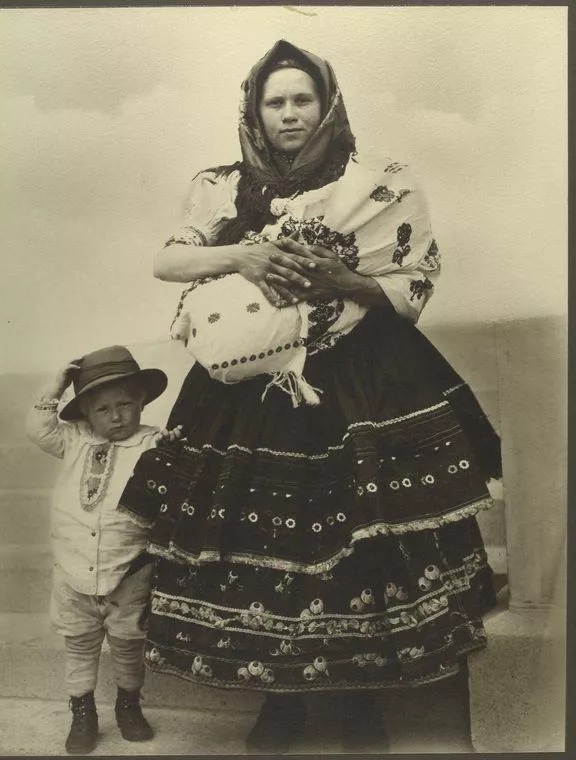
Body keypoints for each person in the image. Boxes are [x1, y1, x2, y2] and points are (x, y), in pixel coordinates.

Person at [119, 40, 502, 753]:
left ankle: (361, 702)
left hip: (362, 380)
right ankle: (280, 700)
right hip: (251, 387)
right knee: (256, 544)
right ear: (255, 114)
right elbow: (167, 259)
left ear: (327, 107)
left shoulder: (382, 183)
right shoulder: (222, 183)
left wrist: (340, 279)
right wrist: (243, 254)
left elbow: (410, 286)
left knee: (361, 542)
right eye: (276, 102)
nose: (290, 113)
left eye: (303, 99)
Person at [25, 345, 183, 755]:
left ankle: (128, 705)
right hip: (73, 570)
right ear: (86, 414)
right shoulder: (73, 439)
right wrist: (55, 386)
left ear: (142, 401)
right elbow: (38, 429)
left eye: (126, 404)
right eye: (103, 409)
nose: (116, 416)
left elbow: (174, 478)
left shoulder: (152, 443)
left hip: (128, 569)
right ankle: (83, 711)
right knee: (79, 644)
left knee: (129, 645)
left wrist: (171, 452)